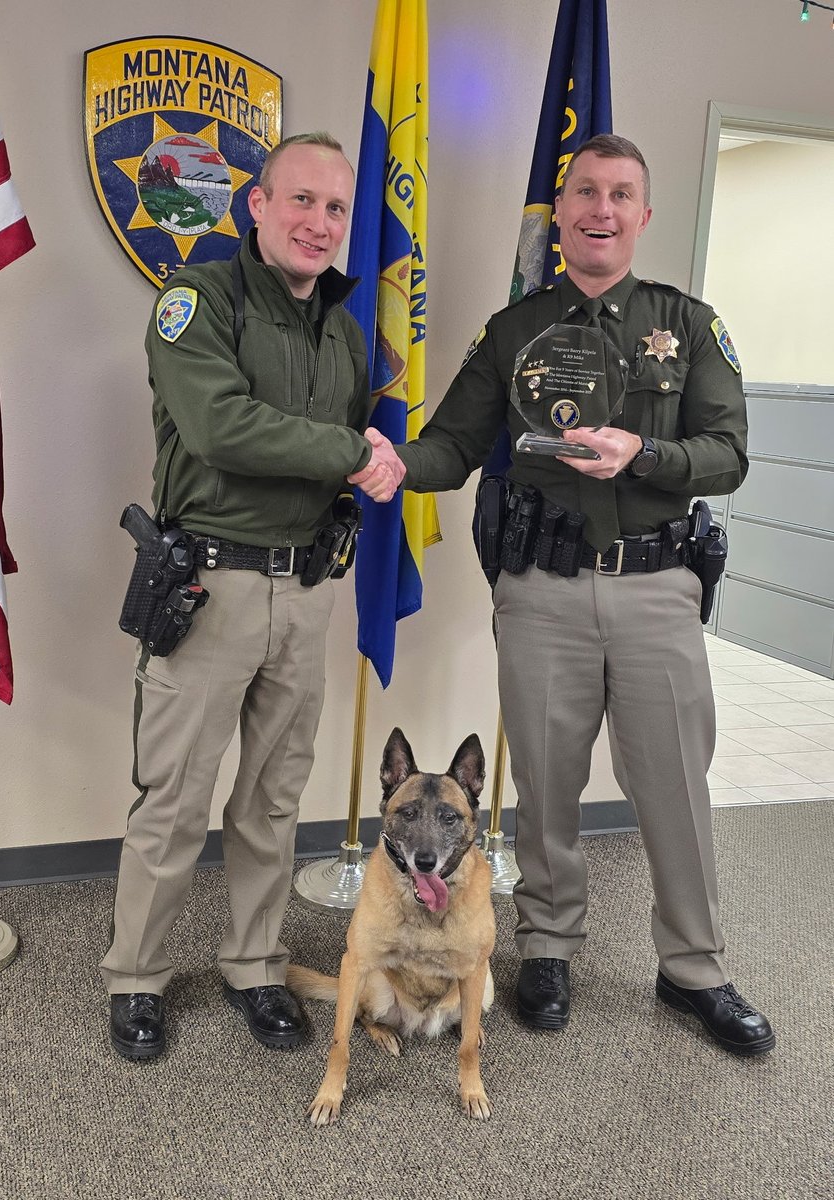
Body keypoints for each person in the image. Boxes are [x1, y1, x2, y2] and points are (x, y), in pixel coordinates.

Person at [353, 134, 775, 1056]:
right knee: (545, 786)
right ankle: (547, 946)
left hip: (658, 587)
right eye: (587, 192)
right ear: (564, 207)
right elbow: (451, 446)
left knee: (674, 784)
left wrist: (647, 453)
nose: (602, 210)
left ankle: (694, 967)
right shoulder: (515, 330)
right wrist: (391, 464)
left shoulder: (688, 325)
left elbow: (731, 454)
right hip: (540, 593)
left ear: (643, 215)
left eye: (622, 194)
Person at [102, 132, 403, 1060]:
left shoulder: (343, 330)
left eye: (337, 209)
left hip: (304, 590)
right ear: (257, 207)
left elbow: (340, 446)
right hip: (211, 588)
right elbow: (219, 426)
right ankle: (138, 980)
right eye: (301, 201)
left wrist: (374, 458)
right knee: (175, 798)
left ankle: (255, 965)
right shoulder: (198, 301)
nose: (320, 223)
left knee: (273, 797)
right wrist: (355, 452)